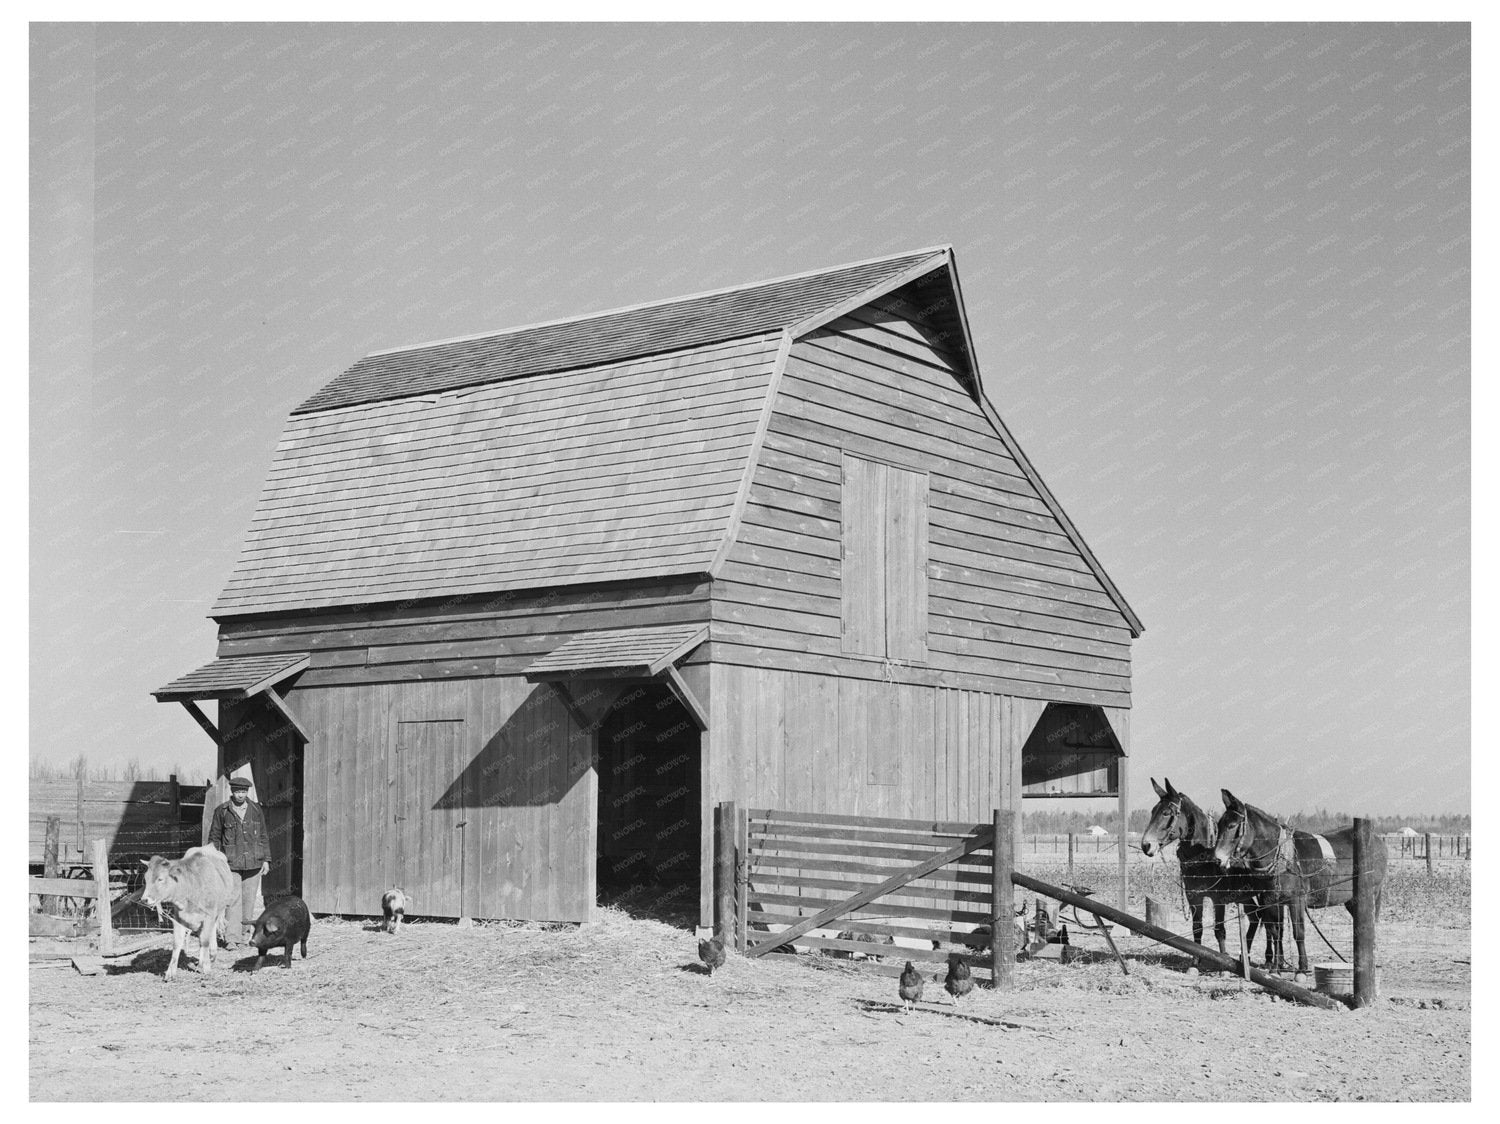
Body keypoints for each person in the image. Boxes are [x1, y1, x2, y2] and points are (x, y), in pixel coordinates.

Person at [207, 776, 271, 948]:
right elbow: (214, 838)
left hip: (254, 861)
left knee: (249, 900)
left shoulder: (256, 810)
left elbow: (264, 836)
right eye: (237, 791)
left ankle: (244, 936)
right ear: (232, 792)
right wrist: (216, 861)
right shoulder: (222, 811)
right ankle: (231, 938)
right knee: (233, 899)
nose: (240, 795)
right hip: (230, 863)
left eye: (243, 791)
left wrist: (266, 860)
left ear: (247, 792)